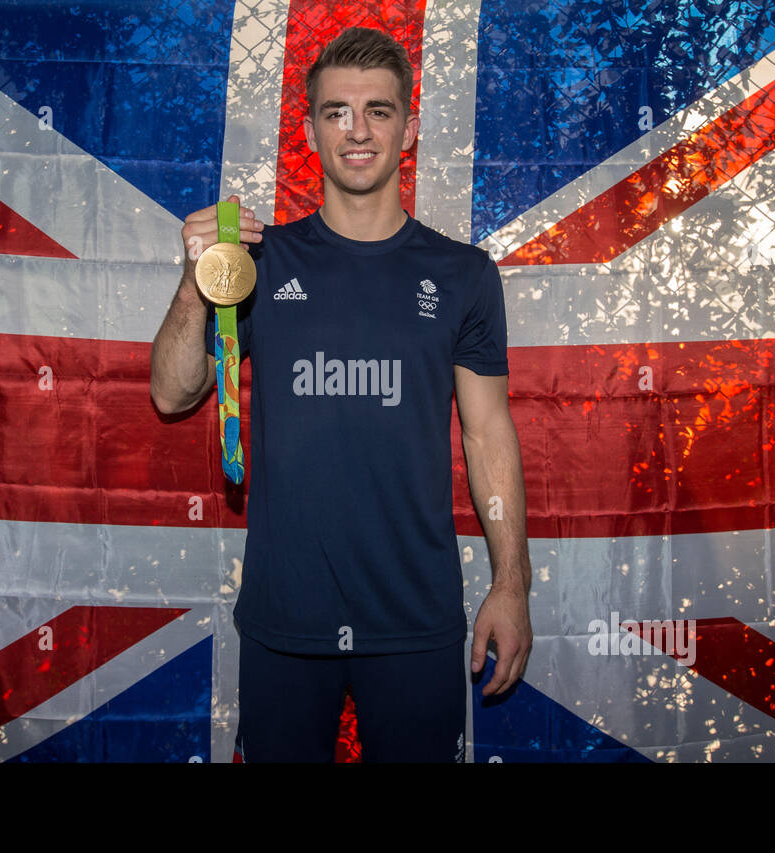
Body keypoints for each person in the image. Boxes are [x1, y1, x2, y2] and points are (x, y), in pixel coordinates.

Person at [149, 26, 531, 762]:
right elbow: (172, 394)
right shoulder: (259, 260)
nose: (358, 131)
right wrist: (198, 281)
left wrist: (511, 584)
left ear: (409, 128)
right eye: (337, 112)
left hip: (415, 617)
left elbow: (487, 435)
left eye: (379, 111)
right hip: (284, 618)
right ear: (311, 130)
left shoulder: (463, 274)